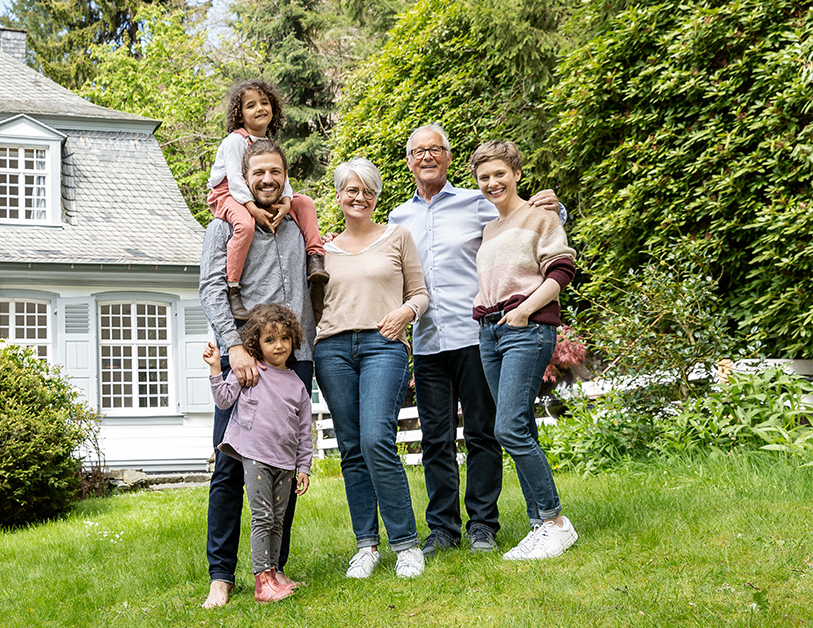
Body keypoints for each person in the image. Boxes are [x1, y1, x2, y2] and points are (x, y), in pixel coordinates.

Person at [388, 124, 564, 558]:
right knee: (436, 440)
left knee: (485, 433)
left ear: (448, 157)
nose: (426, 157)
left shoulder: (477, 202)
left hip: (476, 336)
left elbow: (526, 222)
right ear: (408, 161)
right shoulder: (396, 218)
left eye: (435, 149)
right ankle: (443, 529)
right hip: (428, 340)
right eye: (417, 151)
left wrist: (557, 209)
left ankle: (483, 525)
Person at [198, 139, 317, 608]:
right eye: (259, 172)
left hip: (295, 358)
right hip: (243, 358)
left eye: (276, 172)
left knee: (284, 463)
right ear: (245, 177)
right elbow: (211, 289)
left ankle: (274, 568)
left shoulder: (297, 224)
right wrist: (234, 347)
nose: (268, 179)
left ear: (285, 175)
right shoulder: (222, 228)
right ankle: (222, 575)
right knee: (229, 467)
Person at [314, 157, 430, 580]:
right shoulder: (322, 249)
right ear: (340, 196)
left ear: (376, 196)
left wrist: (405, 313)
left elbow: (420, 293)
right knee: (351, 448)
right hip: (333, 350)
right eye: (351, 190)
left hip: (384, 344)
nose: (358, 197)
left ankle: (405, 545)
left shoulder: (398, 236)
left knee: (375, 439)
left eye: (367, 190)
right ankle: (366, 547)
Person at [469, 140, 578, 560]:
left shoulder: (540, 215)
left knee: (508, 427)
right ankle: (539, 526)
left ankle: (554, 521)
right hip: (490, 332)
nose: (492, 182)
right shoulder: (490, 228)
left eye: (499, 173)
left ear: (516, 173)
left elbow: (561, 269)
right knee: (521, 427)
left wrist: (525, 311)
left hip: (525, 328)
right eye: (484, 177)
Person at [203, 303, 313, 602]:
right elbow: (224, 401)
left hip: (285, 462)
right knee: (262, 517)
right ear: (256, 344)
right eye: (270, 339)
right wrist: (216, 368)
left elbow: (304, 430)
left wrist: (304, 466)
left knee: (278, 519)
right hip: (255, 456)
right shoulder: (252, 372)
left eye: (285, 338)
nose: (279, 345)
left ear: (294, 341)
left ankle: (274, 573)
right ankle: (262, 582)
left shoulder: (297, 385)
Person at [207, 79, 326, 320]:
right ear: (239, 115)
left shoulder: (268, 144)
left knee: (306, 203)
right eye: (251, 105)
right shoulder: (234, 141)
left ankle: (315, 259)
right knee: (245, 226)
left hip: (254, 194)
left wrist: (287, 202)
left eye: (264, 102)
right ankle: (233, 287)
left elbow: (283, 179)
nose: (259, 108)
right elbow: (235, 181)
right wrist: (253, 209)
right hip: (228, 194)